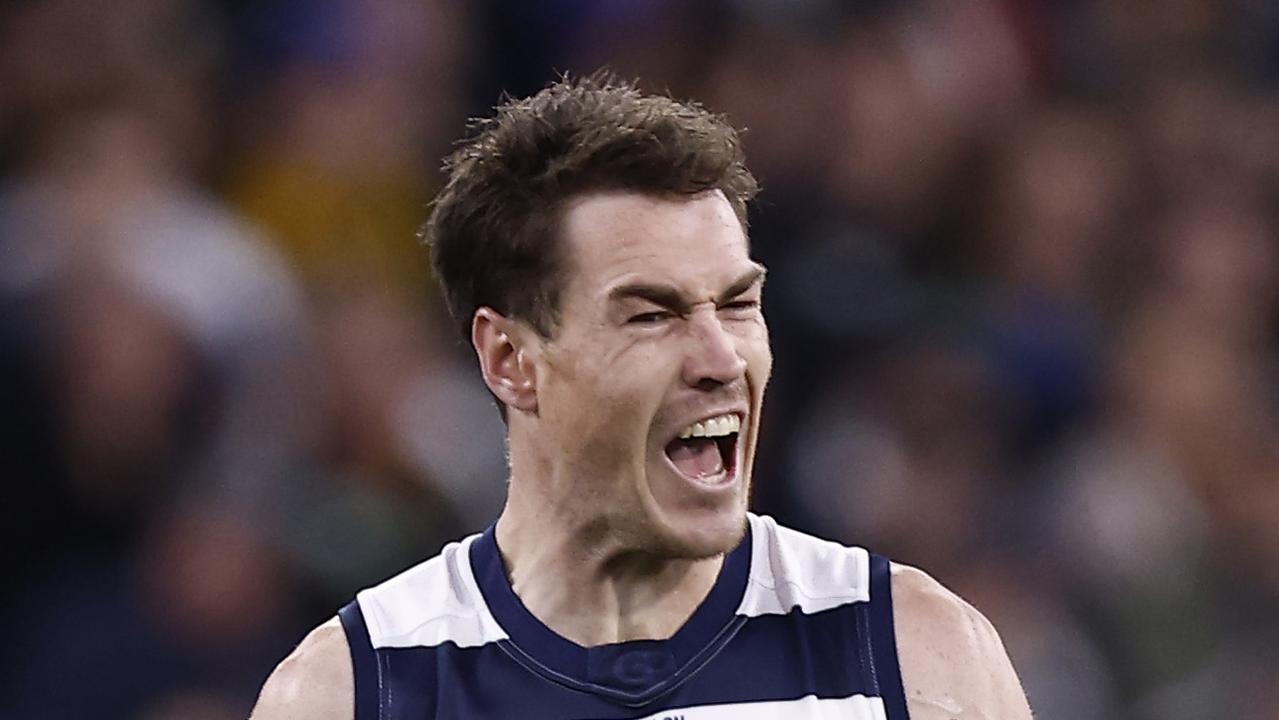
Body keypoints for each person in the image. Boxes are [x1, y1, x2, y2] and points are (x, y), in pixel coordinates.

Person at [249, 75, 1033, 720]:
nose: (720, 358)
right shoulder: (354, 691)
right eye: (652, 315)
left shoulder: (915, 658)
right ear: (510, 358)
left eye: (736, 305)